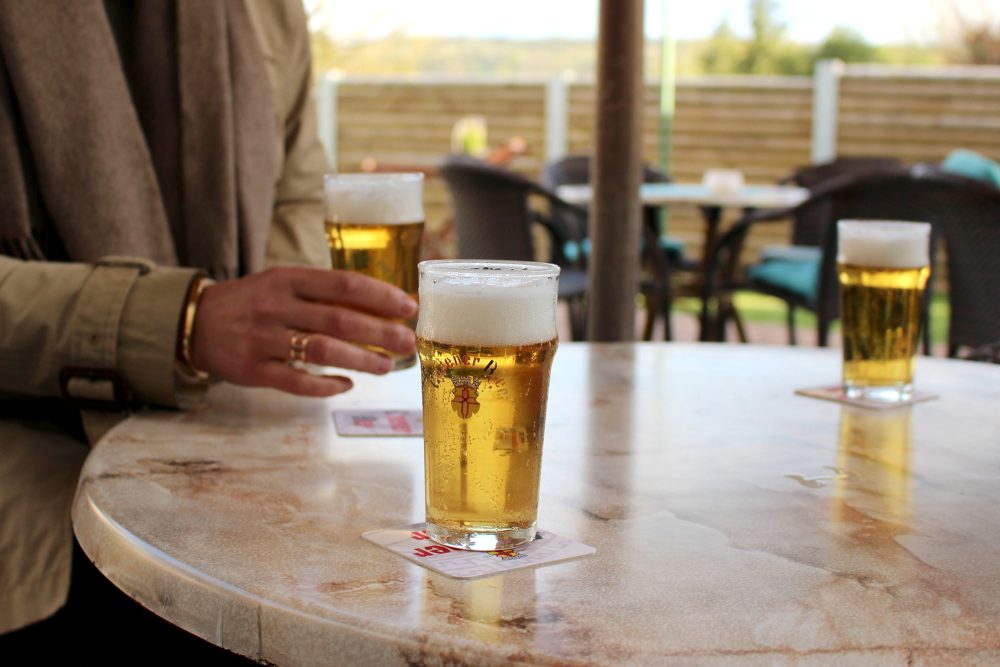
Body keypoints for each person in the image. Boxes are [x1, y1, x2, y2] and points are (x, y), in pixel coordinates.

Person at [0, 0, 416, 653]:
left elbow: (301, 190)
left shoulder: (265, 11)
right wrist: (183, 320)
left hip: (240, 470)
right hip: (40, 525)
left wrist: (263, 331)